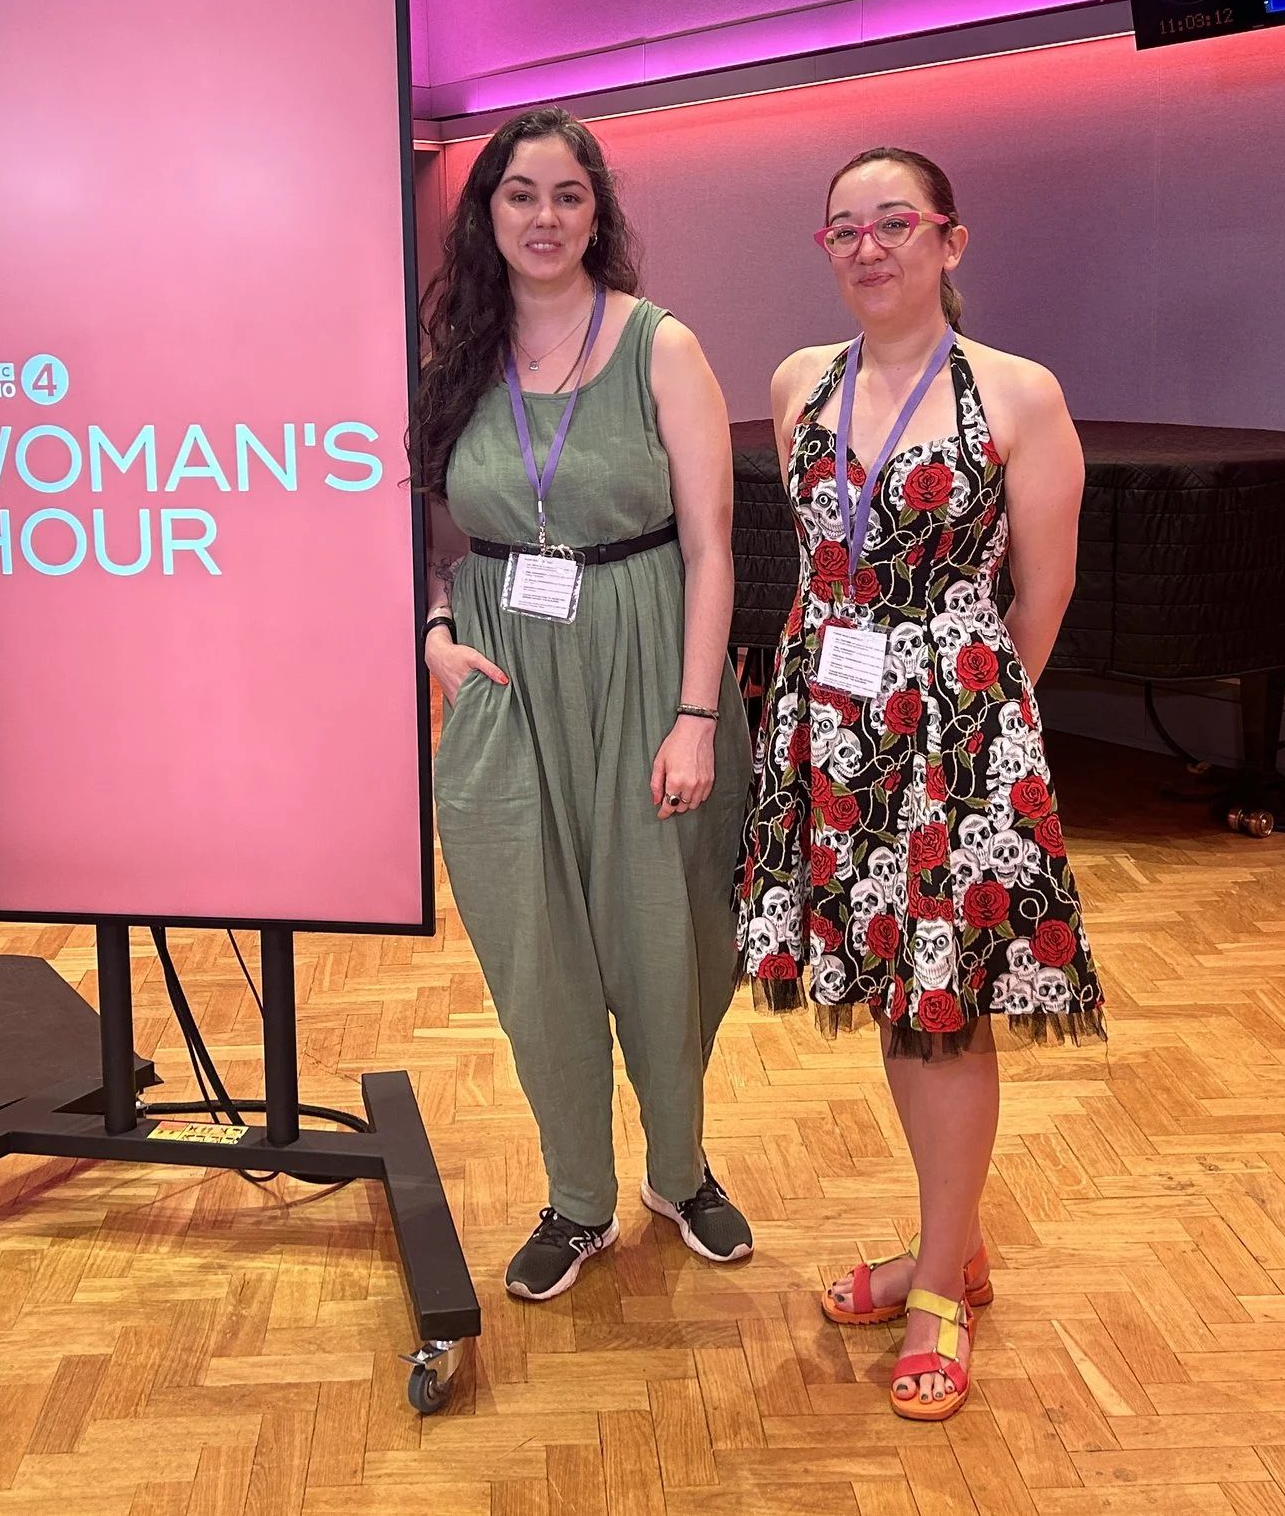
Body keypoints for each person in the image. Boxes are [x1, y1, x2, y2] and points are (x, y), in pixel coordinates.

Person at [737, 146, 1105, 1419]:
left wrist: (976, 708)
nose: (868, 246)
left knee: (943, 1008)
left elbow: (1043, 590)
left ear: (951, 241)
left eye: (895, 222)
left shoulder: (1015, 392)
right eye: (842, 228)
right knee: (901, 993)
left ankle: (937, 1289)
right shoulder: (798, 384)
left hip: (951, 728)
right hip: (825, 720)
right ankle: (950, 1243)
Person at [413, 106, 753, 1302]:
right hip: (506, 675)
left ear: (595, 210)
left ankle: (680, 1164)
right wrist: (436, 632)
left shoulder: (661, 345)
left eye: (566, 195)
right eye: (519, 194)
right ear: (486, 212)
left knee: (674, 936)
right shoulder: (456, 348)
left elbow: (713, 546)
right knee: (533, 942)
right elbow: (420, 526)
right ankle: (576, 1196)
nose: (543, 217)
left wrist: (696, 713)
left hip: (651, 655)